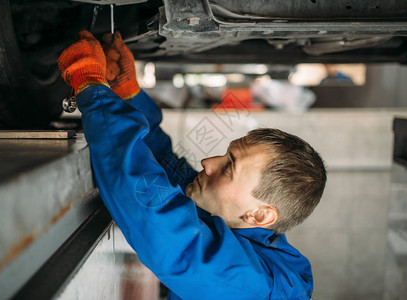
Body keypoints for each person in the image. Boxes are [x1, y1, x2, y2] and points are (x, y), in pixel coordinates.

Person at [57, 30, 327, 300]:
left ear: (259, 216)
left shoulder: (254, 288)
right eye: (225, 156)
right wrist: (128, 94)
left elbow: (162, 225)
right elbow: (169, 173)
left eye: (229, 168)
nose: (208, 162)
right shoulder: (240, 226)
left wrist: (94, 90)